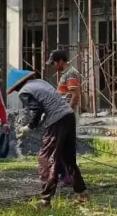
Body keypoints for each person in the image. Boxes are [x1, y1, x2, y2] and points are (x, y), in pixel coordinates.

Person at [7, 68, 87, 207]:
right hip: (68, 115)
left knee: (46, 158)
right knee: (68, 158)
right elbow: (48, 104)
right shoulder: (40, 82)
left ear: (17, 86)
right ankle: (82, 193)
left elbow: (37, 110)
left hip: (57, 121)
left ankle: (45, 200)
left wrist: (29, 127)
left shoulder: (24, 91)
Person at [47, 49, 81, 185]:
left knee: (63, 146)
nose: (53, 66)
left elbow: (75, 95)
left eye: (54, 63)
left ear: (61, 61)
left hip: (65, 115)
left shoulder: (70, 73)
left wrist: (68, 112)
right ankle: (64, 175)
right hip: (62, 114)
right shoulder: (65, 74)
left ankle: (67, 176)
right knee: (61, 146)